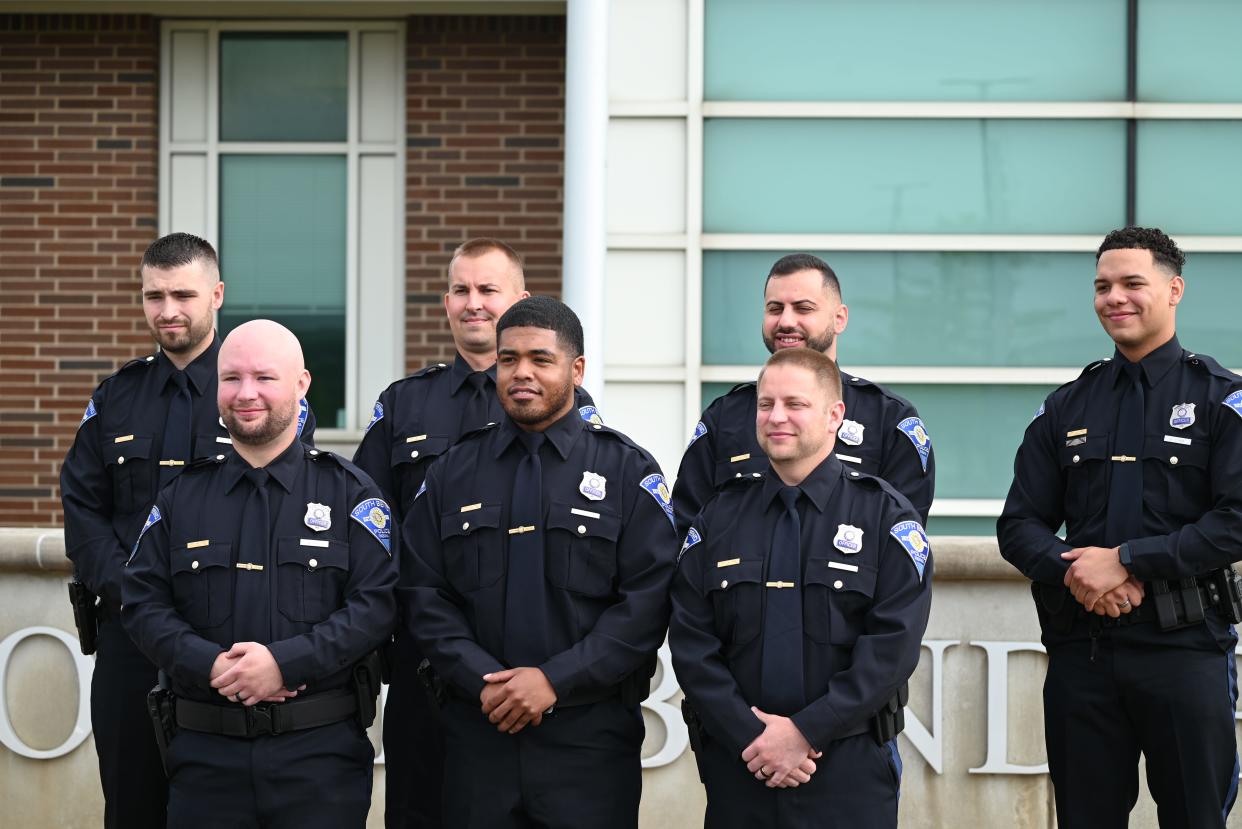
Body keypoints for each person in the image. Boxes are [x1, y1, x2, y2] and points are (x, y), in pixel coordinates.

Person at [59, 233, 315, 829]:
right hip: (133, 640)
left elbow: (290, 504)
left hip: (227, 644)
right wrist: (134, 593)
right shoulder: (116, 398)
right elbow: (83, 507)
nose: (168, 310)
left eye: (183, 294)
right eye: (154, 295)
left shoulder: (253, 391)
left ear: (217, 295)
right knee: (132, 803)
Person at [997, 227, 1242, 828]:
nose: (1115, 298)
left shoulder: (1220, 400)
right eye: (1103, 286)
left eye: (1133, 283)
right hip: (1085, 654)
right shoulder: (1065, 407)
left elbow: (1236, 521)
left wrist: (1130, 558)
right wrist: (1079, 570)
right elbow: (1019, 524)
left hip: (1184, 651)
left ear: (1174, 288)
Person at [352, 238, 601, 828]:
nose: (473, 303)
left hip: (542, 670)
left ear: (519, 299)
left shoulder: (569, 404)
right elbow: (367, 526)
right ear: (445, 302)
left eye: (488, 290)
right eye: (461, 290)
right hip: (426, 659)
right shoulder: (405, 404)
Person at [401, 296, 676, 828]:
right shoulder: (452, 473)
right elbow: (423, 593)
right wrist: (485, 680)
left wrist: (554, 679)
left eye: (540, 359)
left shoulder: (626, 471)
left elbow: (648, 601)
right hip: (478, 738)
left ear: (575, 370)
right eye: (508, 359)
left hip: (589, 744)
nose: (521, 372)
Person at [123, 320, 395, 829]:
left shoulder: (351, 496)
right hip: (205, 759)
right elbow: (142, 604)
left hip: (319, 761)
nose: (246, 394)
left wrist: (284, 664)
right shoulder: (181, 498)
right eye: (231, 378)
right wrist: (212, 666)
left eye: (264, 378)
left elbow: (375, 606)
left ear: (302, 384)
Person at [670, 347, 932, 828]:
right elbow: (691, 641)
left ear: (835, 415)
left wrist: (805, 732)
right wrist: (754, 737)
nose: (776, 417)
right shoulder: (717, 519)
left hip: (848, 769)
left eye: (795, 404)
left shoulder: (884, 518)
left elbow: (892, 649)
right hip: (740, 764)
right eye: (766, 405)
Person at [673, 253, 934, 542]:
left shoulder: (889, 420)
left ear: (839, 319)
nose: (786, 321)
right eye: (775, 308)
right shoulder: (725, 417)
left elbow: (901, 547)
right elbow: (688, 534)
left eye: (803, 308)